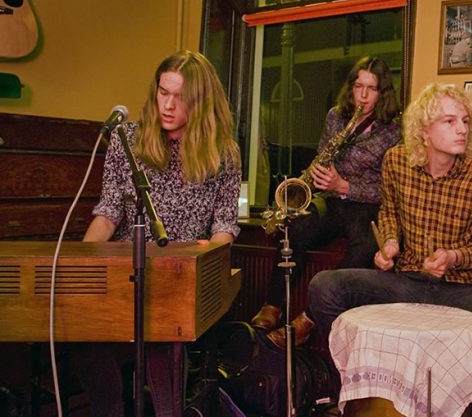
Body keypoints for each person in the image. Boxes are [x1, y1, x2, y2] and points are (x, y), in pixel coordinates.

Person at [308, 83, 472, 417]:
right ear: (423, 129)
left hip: (462, 289)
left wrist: (453, 257)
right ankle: (354, 391)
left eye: (465, 121)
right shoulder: (396, 162)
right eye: (449, 121)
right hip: (406, 280)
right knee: (324, 286)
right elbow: (389, 213)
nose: (462, 129)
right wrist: (389, 244)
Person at [77, 50, 241, 417]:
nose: (167, 105)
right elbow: (109, 211)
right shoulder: (127, 139)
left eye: (180, 97)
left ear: (201, 101)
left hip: (179, 278)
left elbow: (224, 224)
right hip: (127, 271)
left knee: (165, 337)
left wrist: (204, 269)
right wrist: (83, 266)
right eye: (163, 92)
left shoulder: (224, 153)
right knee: (83, 335)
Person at [252, 56, 402, 348]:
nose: (362, 95)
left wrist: (345, 185)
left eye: (371, 88)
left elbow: (389, 188)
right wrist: (318, 175)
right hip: (331, 199)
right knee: (296, 229)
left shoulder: (393, 131)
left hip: (365, 205)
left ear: (382, 92)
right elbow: (323, 153)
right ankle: (272, 304)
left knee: (366, 246)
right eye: (358, 86)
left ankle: (307, 319)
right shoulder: (335, 116)